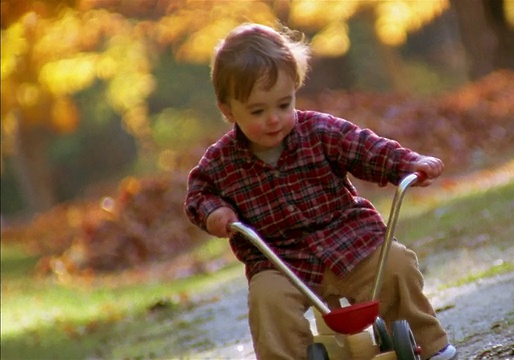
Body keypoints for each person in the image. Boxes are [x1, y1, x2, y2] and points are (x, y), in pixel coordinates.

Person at [184, 23, 457, 360]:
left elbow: (364, 148)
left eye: (284, 105)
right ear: (227, 109)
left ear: (295, 91)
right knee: (267, 300)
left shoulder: (320, 130)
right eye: (258, 111)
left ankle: (429, 345)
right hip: (280, 260)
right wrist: (214, 212)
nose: (274, 119)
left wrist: (407, 163)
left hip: (348, 237)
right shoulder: (221, 161)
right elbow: (199, 193)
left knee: (396, 265)